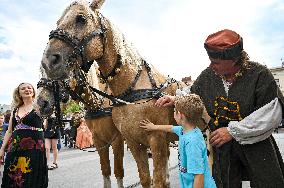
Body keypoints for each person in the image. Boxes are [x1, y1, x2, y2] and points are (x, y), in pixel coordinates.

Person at [155, 29, 284, 187]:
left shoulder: (259, 75)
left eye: (215, 62)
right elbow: (194, 95)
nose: (211, 65)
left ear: (234, 59)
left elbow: (270, 115)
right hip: (223, 148)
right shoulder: (209, 75)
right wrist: (175, 99)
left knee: (268, 182)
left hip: (256, 142)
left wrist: (231, 131)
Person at [140, 94, 216, 188]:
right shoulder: (186, 130)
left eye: (174, 110)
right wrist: (153, 127)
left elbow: (199, 175)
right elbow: (171, 128)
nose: (173, 113)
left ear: (180, 115)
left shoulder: (192, 143)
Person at [0, 82, 48, 188]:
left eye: (29, 88)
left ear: (33, 91)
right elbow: (9, 131)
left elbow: (45, 124)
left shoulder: (39, 107)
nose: (27, 90)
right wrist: (2, 149)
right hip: (15, 148)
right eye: (23, 89)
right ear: (19, 93)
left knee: (31, 176)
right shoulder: (15, 110)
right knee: (14, 176)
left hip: (34, 148)